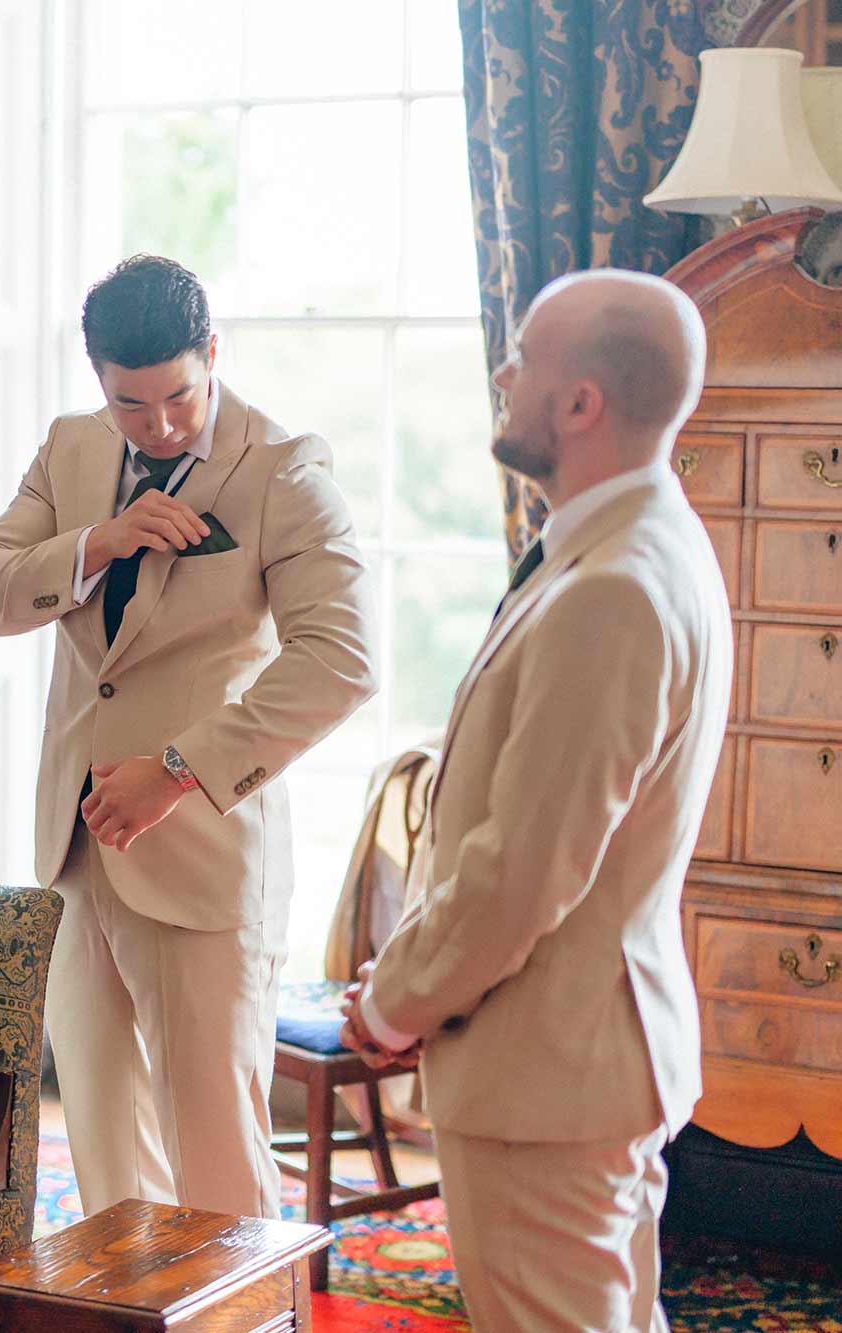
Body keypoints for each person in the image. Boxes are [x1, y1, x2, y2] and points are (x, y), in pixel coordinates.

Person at [343, 269, 728, 1333]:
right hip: (586, 1056)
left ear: (579, 404)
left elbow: (525, 870)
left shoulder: (610, 589)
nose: (501, 374)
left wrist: (392, 1002)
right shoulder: (645, 541)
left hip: (546, 1073)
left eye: (522, 356)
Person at [0, 255, 377, 1218]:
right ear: (98, 378)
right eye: (131, 404)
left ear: (213, 353)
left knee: (217, 1165)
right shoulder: (70, 450)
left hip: (203, 854)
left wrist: (180, 770)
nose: (160, 425)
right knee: (103, 1153)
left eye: (179, 396)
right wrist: (98, 543)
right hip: (73, 846)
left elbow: (342, 660)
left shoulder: (285, 466)